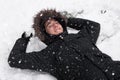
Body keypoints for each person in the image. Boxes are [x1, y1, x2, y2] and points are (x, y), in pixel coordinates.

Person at [8, 9, 120, 80]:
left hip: (115, 69)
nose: (55, 25)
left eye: (57, 22)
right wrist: (24, 39)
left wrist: (66, 19)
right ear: (45, 32)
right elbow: (15, 59)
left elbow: (93, 26)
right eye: (49, 25)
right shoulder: (48, 55)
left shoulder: (81, 37)